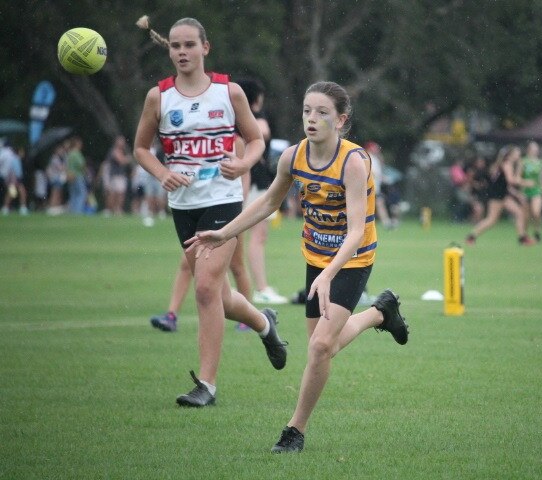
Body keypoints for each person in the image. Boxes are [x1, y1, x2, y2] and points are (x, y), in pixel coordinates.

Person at [185, 81, 409, 452]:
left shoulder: (353, 162)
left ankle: (295, 431)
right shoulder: (293, 157)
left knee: (320, 347)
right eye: (307, 110)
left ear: (341, 120)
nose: (312, 118)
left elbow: (355, 232)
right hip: (316, 257)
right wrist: (224, 233)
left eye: (322, 112)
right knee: (324, 347)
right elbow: (269, 202)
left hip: (353, 259)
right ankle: (380, 314)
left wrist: (328, 274)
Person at [134, 16, 288, 406]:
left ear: (206, 47)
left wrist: (243, 165)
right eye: (175, 45)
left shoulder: (229, 92)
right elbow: (140, 148)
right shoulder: (159, 97)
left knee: (204, 288)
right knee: (218, 293)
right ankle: (264, 324)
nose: (182, 52)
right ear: (168, 50)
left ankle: (207, 385)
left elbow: (255, 140)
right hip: (183, 207)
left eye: (189, 44)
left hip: (223, 202)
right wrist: (162, 172)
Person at [236, 77, 288, 305]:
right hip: (254, 183)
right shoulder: (251, 117)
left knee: (241, 237)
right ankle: (260, 288)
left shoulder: (234, 118)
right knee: (257, 236)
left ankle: (249, 286)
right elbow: (263, 132)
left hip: (249, 183)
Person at [465, 145, 535, 245]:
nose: (519, 154)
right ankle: (471, 236)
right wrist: (526, 182)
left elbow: (506, 184)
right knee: (491, 220)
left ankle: (522, 238)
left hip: (503, 194)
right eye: (517, 152)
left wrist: (517, 194)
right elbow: (511, 180)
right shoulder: (507, 164)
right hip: (496, 195)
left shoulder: (507, 163)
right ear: (511, 154)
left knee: (519, 213)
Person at [520, 141, 542, 242]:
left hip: (537, 190)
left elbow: (541, 178)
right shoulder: (523, 162)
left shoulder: (540, 162)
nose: (536, 150)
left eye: (536, 149)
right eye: (534, 148)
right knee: (526, 216)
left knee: (536, 212)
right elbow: (518, 177)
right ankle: (524, 235)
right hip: (525, 191)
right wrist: (525, 183)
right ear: (529, 149)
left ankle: (537, 230)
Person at [102, 135, 131, 216]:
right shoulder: (114, 150)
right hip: (115, 175)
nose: (122, 143)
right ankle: (109, 210)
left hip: (121, 175)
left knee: (121, 194)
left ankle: (118, 209)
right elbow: (121, 160)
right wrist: (127, 159)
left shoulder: (123, 151)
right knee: (113, 194)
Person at [0, 142, 28, 215]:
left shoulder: (15, 158)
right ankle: (19, 208)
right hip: (14, 179)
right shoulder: (15, 158)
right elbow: (13, 170)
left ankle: (7, 208)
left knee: (13, 193)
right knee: (15, 193)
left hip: (14, 179)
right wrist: (15, 179)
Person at [46, 142, 68, 215]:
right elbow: (61, 168)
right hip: (55, 178)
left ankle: (56, 207)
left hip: (58, 178)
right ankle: (52, 206)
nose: (61, 151)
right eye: (60, 150)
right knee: (55, 193)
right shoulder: (55, 158)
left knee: (58, 193)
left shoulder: (60, 158)